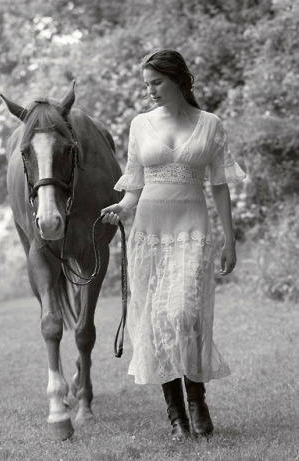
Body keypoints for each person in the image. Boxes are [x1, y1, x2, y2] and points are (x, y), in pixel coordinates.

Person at [101, 49, 246, 440]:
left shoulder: (210, 124)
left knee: (183, 314)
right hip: (149, 231)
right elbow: (134, 185)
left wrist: (229, 241)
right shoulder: (139, 124)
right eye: (146, 84)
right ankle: (177, 416)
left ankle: (197, 400)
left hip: (192, 230)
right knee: (157, 319)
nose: (149, 91)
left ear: (179, 79)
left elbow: (219, 185)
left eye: (156, 83)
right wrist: (121, 205)